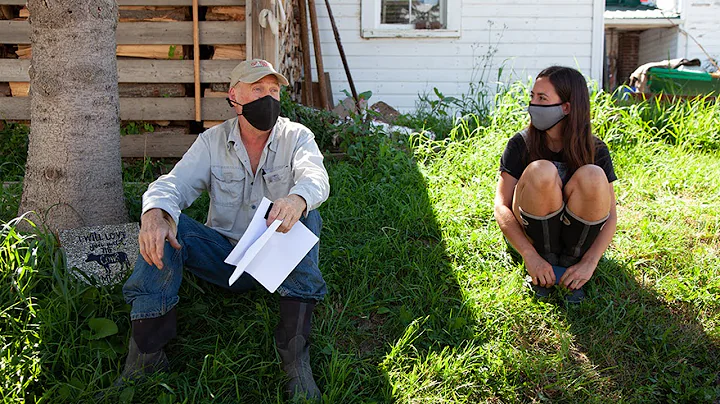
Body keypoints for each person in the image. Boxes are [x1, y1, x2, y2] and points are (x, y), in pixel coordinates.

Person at [116, 59, 329, 401]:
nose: (268, 98)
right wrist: (155, 213)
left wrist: (296, 200)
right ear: (234, 96)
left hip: (273, 258)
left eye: (274, 90)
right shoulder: (212, 142)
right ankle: (146, 354)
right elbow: (174, 185)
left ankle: (295, 359)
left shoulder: (296, 136)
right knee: (169, 222)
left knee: (308, 216)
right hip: (224, 256)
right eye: (258, 89)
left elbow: (315, 178)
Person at [493, 66, 617, 303]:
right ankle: (545, 261)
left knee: (593, 174)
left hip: (577, 247)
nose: (532, 105)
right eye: (532, 97)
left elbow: (611, 215)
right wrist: (529, 255)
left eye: (542, 98)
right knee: (542, 170)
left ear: (566, 107)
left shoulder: (596, 149)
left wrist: (590, 262)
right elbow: (501, 205)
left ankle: (571, 265)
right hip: (532, 239)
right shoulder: (520, 143)